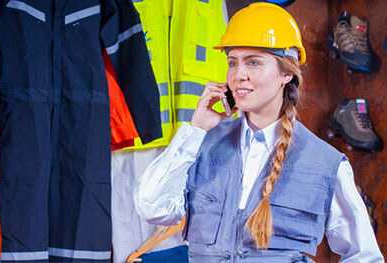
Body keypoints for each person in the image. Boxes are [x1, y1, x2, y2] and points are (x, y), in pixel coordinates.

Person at [134, 3, 384, 262]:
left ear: (286, 73)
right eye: (233, 63)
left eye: (253, 63)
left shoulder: (325, 164)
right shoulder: (201, 145)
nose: (239, 75)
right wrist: (195, 130)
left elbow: (364, 256)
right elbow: (152, 207)